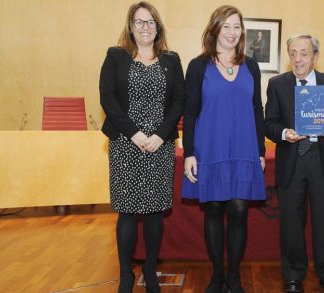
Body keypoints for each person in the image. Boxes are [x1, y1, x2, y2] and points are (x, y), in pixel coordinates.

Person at [99, 2, 185, 292]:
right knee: (126, 212)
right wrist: (134, 134)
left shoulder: (171, 60)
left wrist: (160, 135)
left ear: (157, 27)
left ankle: (149, 272)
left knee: (154, 212)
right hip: (126, 143)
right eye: (139, 22)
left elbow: (178, 101)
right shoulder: (116, 56)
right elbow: (108, 97)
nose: (145, 27)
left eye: (150, 22)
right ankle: (126, 274)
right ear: (131, 26)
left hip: (160, 145)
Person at [181, 5, 266, 293]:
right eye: (226, 26)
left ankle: (234, 276)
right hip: (210, 148)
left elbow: (257, 110)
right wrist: (189, 152)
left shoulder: (251, 66)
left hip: (244, 148)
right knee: (215, 209)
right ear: (215, 28)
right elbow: (189, 112)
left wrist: (261, 151)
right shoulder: (197, 66)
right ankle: (217, 275)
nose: (232, 32)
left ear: (242, 32)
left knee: (240, 210)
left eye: (237, 27)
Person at [264, 34, 324, 293]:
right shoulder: (277, 84)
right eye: (293, 53)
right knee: (291, 222)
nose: (298, 59)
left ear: (315, 56)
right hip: (292, 158)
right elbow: (269, 123)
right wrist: (284, 133)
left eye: (303, 53)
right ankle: (293, 276)